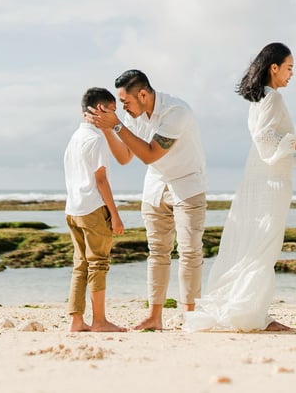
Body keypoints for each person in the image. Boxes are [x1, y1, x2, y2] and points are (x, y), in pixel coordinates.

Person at [183, 42, 296, 332]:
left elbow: (269, 141)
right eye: (289, 68)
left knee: (253, 244)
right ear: (273, 68)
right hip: (271, 183)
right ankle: (250, 315)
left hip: (261, 176)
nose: (291, 74)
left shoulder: (260, 99)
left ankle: (251, 311)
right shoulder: (272, 98)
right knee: (264, 247)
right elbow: (266, 141)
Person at [86, 70, 207, 330]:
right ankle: (155, 317)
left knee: (189, 252)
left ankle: (189, 316)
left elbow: (151, 154)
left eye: (126, 101)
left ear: (143, 94)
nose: (124, 107)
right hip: (155, 187)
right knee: (157, 253)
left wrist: (116, 125)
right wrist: (106, 128)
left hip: (187, 185)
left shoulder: (177, 112)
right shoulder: (134, 115)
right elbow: (124, 156)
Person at [64, 87, 127, 333]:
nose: (113, 116)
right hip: (93, 208)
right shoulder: (96, 139)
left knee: (81, 264)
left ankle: (76, 320)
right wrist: (116, 215)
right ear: (101, 109)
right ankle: (99, 321)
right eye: (112, 110)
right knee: (99, 264)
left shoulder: (75, 138)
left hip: (73, 209)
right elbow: (101, 181)